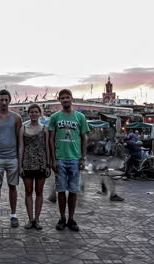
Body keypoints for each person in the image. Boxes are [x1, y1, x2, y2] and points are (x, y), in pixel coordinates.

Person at [49, 89, 89, 231]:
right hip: (60, 159)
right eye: (62, 98)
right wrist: (53, 159)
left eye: (67, 97)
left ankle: (71, 218)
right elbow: (51, 139)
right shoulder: (55, 117)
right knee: (61, 191)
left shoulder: (80, 117)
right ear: (59, 100)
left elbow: (84, 138)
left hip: (75, 159)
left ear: (72, 99)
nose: (65, 100)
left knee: (73, 191)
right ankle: (62, 218)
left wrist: (83, 158)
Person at [0, 89, 22, 228]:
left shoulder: (16, 118)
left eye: (6, 100)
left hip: (13, 158)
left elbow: (20, 141)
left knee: (13, 187)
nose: (4, 102)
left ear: (10, 100)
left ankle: (13, 215)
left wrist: (20, 161)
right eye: (1, 100)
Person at [18, 104, 50, 230]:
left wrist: (48, 164)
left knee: (39, 192)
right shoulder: (23, 128)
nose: (34, 114)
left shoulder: (45, 129)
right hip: (27, 163)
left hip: (41, 163)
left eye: (36, 112)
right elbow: (21, 147)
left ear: (40, 113)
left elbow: (47, 147)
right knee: (28, 192)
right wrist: (20, 165)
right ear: (28, 113)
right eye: (31, 112)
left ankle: (37, 219)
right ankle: (30, 219)